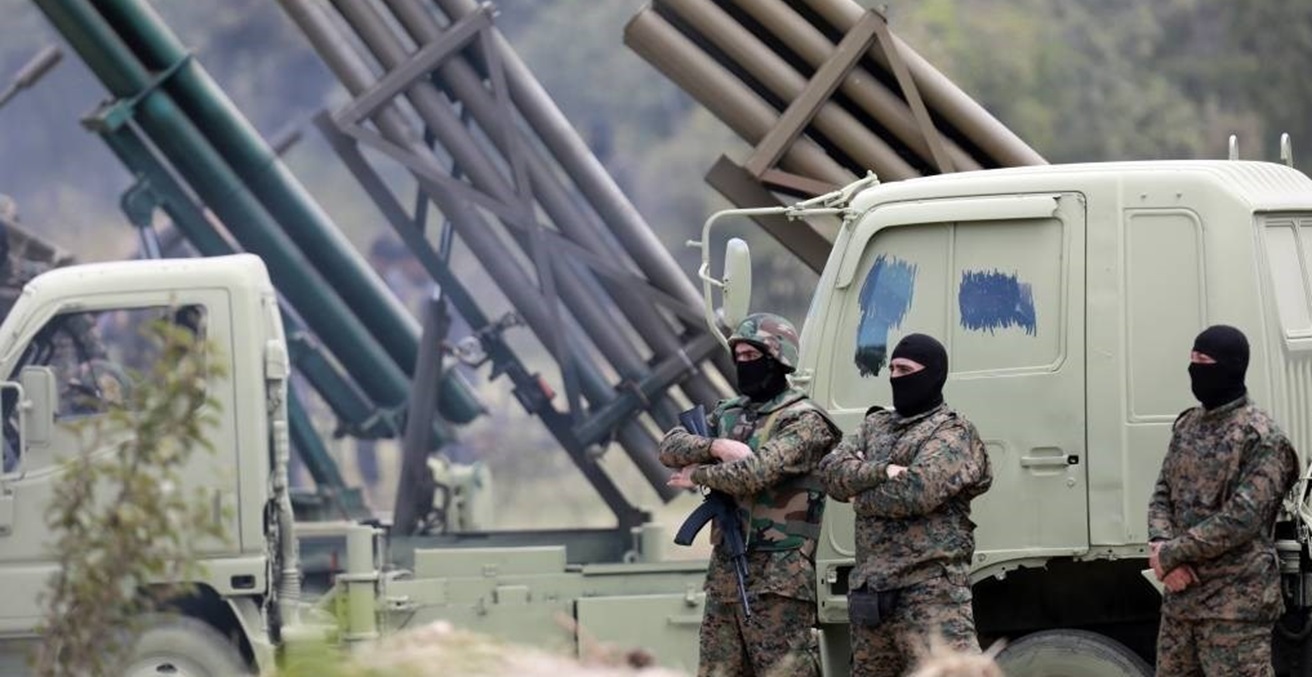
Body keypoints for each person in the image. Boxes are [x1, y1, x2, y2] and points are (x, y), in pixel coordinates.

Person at [659, 312, 840, 676]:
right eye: (738, 357)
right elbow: (669, 446)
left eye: (752, 357)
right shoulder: (728, 413)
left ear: (779, 360)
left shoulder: (806, 420)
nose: (743, 365)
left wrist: (699, 473)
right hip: (726, 575)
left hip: (780, 581)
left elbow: (756, 474)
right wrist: (717, 445)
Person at [818, 333, 992, 677]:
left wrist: (859, 496)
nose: (896, 376)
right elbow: (830, 472)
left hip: (930, 594)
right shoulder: (875, 425)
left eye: (906, 368)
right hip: (873, 596)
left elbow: (917, 491)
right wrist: (882, 470)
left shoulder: (952, 432)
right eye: (893, 368)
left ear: (932, 373)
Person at [1147, 324, 1300, 676]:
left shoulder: (1262, 438)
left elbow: (1241, 519)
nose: (1193, 368)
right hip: (1181, 604)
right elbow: (1161, 494)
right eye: (1191, 359)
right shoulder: (1187, 426)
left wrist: (1171, 554)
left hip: (1235, 609)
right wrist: (1161, 546)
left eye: (1203, 360)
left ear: (1230, 366)